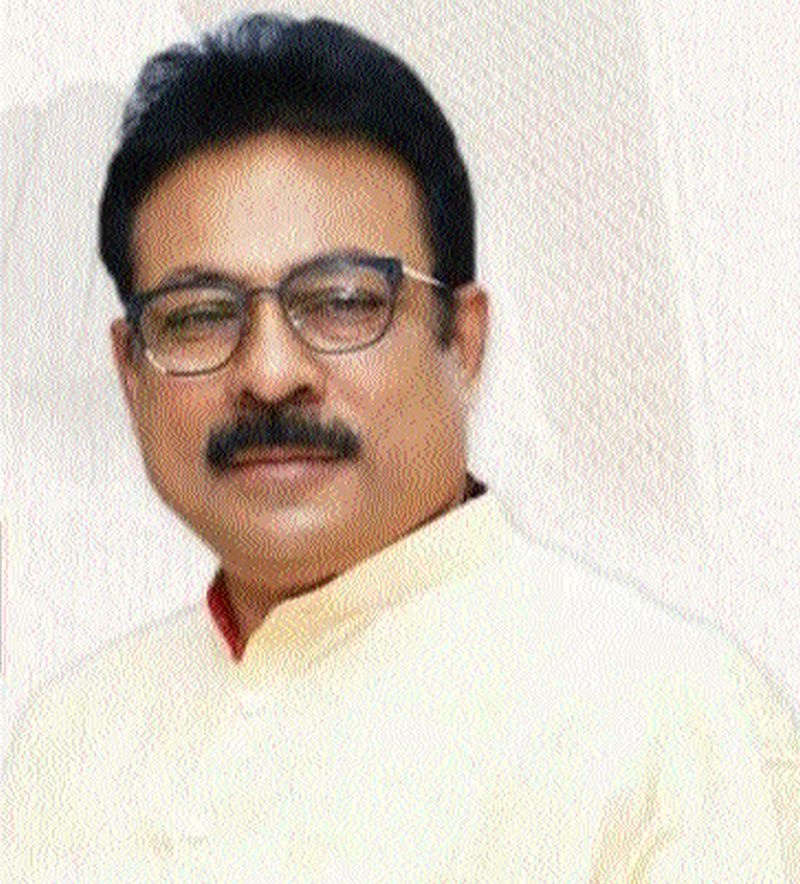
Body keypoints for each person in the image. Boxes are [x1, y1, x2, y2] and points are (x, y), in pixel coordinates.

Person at [3, 13, 798, 881]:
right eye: (198, 316)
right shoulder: (68, 740)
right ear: (129, 371)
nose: (269, 374)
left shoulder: (666, 724)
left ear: (464, 342)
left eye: (342, 302)